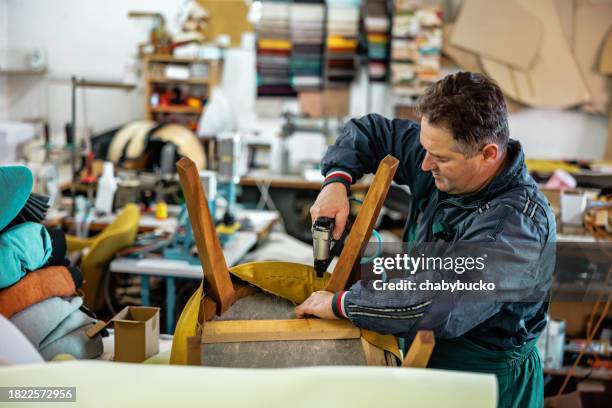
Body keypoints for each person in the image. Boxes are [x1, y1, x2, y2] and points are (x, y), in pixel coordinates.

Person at [295, 72, 556, 408]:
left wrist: (342, 303)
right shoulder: (440, 156)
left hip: (486, 381)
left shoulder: (516, 227)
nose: (424, 164)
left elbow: (438, 303)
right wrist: (335, 182)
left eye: (441, 158)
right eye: (424, 147)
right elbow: (370, 132)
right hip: (426, 357)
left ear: (488, 154)